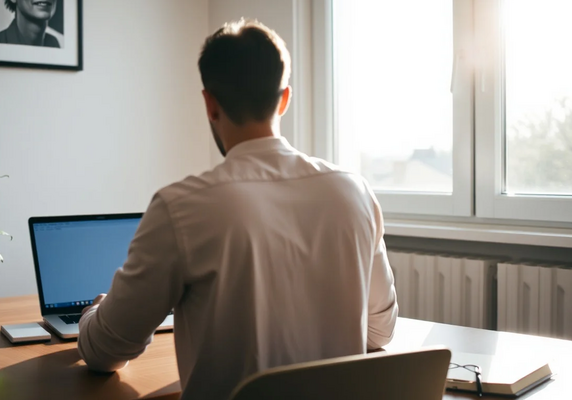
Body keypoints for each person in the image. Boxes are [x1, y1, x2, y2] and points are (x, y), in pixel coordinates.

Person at [77, 19, 398, 400]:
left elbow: (106, 351)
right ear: (284, 99)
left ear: (210, 104)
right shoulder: (355, 192)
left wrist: (93, 315)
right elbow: (380, 333)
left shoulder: (180, 207)